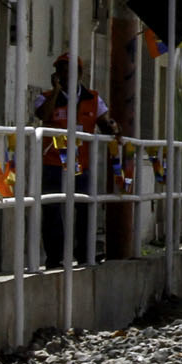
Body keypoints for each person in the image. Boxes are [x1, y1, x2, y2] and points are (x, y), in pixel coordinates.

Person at [34, 54, 114, 268]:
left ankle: (84, 253)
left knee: (85, 208)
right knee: (51, 210)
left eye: (71, 70)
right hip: (53, 163)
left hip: (81, 164)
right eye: (62, 71)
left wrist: (114, 128)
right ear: (56, 75)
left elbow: (104, 123)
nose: (66, 74)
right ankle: (54, 256)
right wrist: (57, 92)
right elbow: (43, 114)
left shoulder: (93, 98)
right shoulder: (46, 97)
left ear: (80, 74)